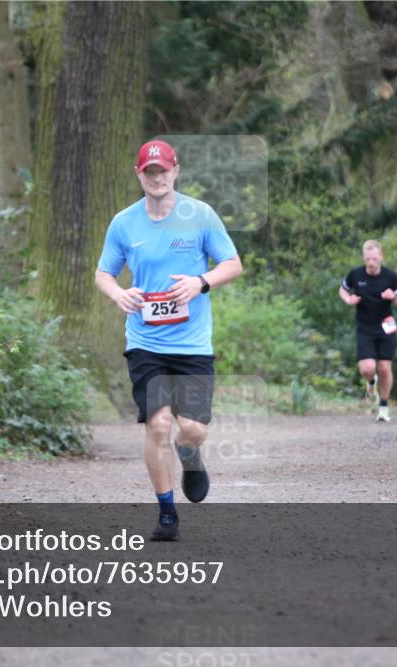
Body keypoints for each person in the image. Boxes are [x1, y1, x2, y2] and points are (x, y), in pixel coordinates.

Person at [94, 139, 242, 541]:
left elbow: (232, 263)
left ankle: (190, 453)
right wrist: (118, 293)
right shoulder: (124, 223)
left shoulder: (200, 216)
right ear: (138, 175)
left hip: (192, 344)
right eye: (149, 172)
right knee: (157, 425)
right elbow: (103, 273)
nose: (156, 178)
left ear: (175, 171)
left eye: (163, 170)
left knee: (191, 428)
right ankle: (166, 513)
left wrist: (200, 282)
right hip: (146, 343)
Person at [339, 239, 397, 422]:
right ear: (364, 257)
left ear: (381, 257)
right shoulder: (355, 274)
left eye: (375, 258)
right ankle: (371, 383)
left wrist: (393, 297)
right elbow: (343, 290)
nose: (371, 262)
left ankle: (383, 407)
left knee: (384, 367)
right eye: (368, 258)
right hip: (365, 328)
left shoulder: (390, 276)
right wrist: (348, 299)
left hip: (386, 327)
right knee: (368, 368)